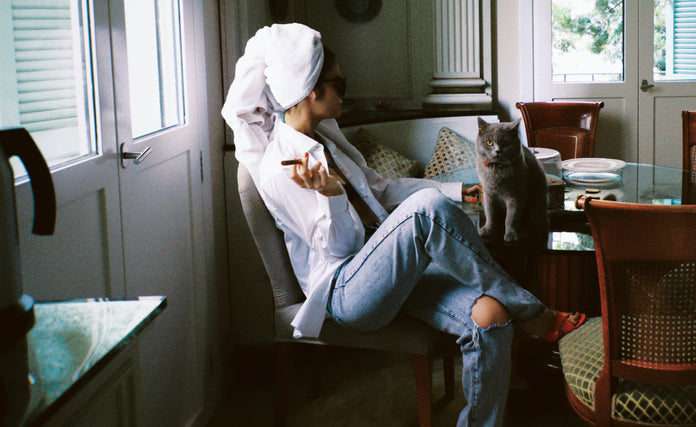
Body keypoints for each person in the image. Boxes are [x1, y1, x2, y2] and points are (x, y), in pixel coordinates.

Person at [221, 23, 583, 427]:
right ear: (310, 89)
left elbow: (384, 189)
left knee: (491, 318)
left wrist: (454, 190)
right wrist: (333, 196)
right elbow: (337, 251)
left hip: (394, 269)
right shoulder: (281, 167)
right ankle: (535, 312)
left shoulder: (329, 137)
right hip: (347, 291)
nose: (346, 91)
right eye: (339, 83)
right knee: (425, 211)